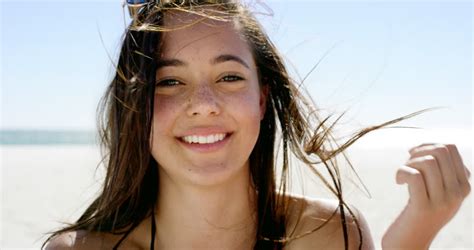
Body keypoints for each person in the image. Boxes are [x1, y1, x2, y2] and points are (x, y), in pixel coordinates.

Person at [43, 1, 471, 249]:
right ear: (134, 105)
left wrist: (414, 234)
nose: (204, 105)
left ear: (263, 97)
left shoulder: (327, 235)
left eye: (229, 77)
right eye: (169, 82)